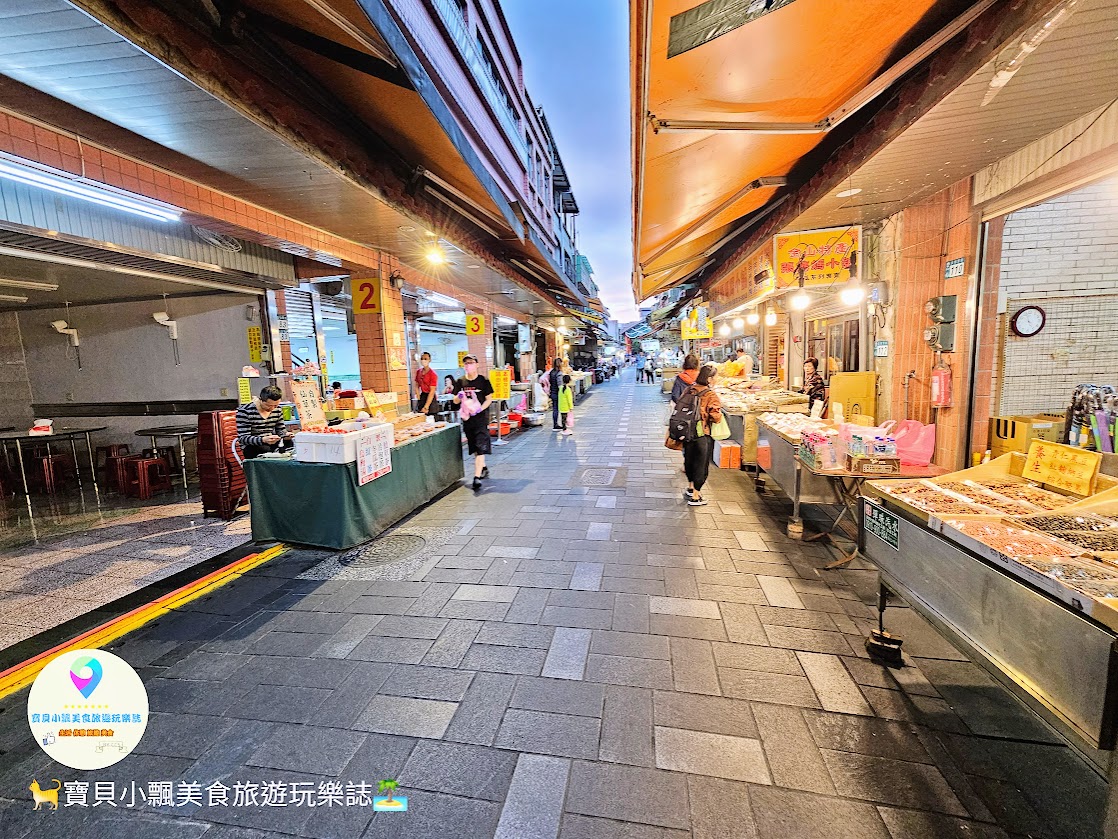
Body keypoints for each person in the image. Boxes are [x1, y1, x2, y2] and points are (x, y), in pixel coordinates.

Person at [682, 364, 722, 506]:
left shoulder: (689, 389)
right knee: (701, 463)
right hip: (701, 433)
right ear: (710, 379)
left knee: (689, 460)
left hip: (687, 431)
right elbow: (715, 416)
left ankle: (691, 487)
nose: (717, 380)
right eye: (716, 377)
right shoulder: (710, 394)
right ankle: (696, 497)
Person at [453, 355, 494, 490]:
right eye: (466, 363)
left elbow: (489, 399)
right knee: (475, 447)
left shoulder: (483, 381)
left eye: (471, 363)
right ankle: (483, 467)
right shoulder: (460, 381)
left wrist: (480, 409)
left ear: (477, 364)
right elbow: (455, 401)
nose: (468, 365)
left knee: (480, 446)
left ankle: (476, 478)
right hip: (468, 420)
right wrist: (459, 397)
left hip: (481, 419)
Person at [236, 385, 293, 459]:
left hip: (271, 442)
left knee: (289, 443)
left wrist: (286, 435)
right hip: (253, 446)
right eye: (268, 405)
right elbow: (243, 438)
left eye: (275, 405)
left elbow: (280, 430)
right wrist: (263, 440)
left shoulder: (278, 410)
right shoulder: (245, 411)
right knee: (264, 448)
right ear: (261, 400)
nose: (272, 408)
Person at [414, 351, 439, 416]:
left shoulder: (432, 374)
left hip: (430, 397)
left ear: (429, 360)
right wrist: (418, 397)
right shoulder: (418, 372)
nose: (423, 360)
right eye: (422, 359)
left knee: (431, 418)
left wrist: (426, 406)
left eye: (425, 359)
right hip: (423, 395)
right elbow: (416, 385)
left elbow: (432, 391)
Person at [548, 356, 564, 431]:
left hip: (552, 392)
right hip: (558, 393)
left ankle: (555, 424)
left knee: (555, 409)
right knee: (559, 409)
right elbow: (560, 385)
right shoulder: (559, 373)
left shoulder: (551, 372)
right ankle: (559, 425)